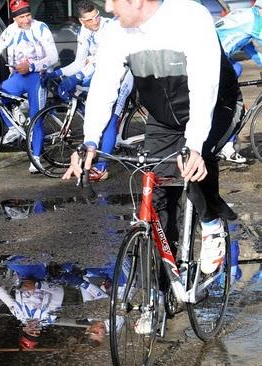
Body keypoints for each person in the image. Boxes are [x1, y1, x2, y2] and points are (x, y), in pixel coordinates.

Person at [63, 0, 243, 275]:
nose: (108, 8)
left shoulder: (190, 17)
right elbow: (103, 86)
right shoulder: (116, 32)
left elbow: (203, 84)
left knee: (194, 164)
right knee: (158, 198)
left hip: (217, 104)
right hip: (163, 117)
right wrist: (90, 141)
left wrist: (193, 145)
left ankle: (211, 222)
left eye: (113, 1)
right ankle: (160, 293)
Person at [0, 0, 58, 173]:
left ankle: (36, 158)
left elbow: (53, 57)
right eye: (22, 17)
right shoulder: (11, 30)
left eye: (28, 15)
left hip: (37, 77)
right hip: (17, 77)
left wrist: (31, 66)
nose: (26, 20)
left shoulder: (41, 27)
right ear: (15, 18)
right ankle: (13, 128)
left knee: (36, 118)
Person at [46, 0, 134, 181]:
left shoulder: (110, 28)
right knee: (93, 105)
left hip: (124, 72)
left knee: (111, 119)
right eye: (90, 20)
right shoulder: (84, 32)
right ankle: (94, 141)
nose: (96, 22)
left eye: (97, 17)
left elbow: (102, 60)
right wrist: (57, 73)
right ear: (81, 21)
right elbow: (79, 63)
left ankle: (102, 166)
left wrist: (77, 76)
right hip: (101, 71)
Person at [214, 2, 262, 163]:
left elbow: (251, 50)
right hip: (214, 59)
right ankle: (224, 146)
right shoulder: (256, 20)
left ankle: (226, 145)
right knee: (234, 105)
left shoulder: (246, 14)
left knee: (237, 70)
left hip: (214, 55)